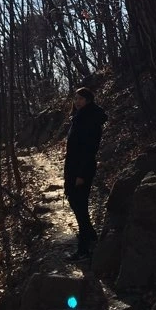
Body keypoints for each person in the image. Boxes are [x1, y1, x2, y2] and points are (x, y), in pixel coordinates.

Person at [64, 86, 107, 260]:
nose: (77, 101)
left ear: (88, 100)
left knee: (80, 206)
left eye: (81, 98)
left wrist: (81, 175)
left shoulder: (90, 119)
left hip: (83, 168)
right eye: (76, 98)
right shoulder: (79, 117)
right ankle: (91, 236)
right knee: (75, 201)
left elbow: (90, 149)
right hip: (73, 167)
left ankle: (84, 249)